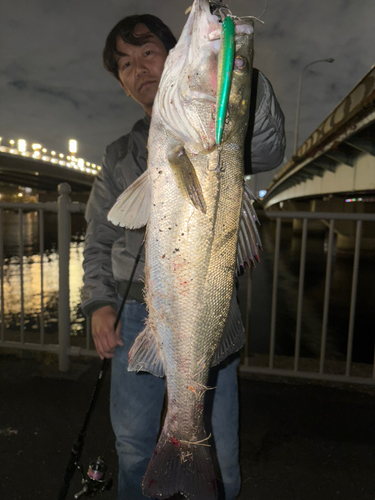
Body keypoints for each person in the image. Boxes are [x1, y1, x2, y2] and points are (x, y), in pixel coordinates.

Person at [81, 13, 285, 500]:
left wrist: (235, 78)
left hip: (206, 314)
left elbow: (270, 145)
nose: (139, 70)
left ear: (174, 56)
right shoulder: (117, 155)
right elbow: (99, 236)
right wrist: (98, 302)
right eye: (125, 65)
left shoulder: (222, 127)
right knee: (131, 445)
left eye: (148, 53)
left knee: (222, 454)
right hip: (134, 315)